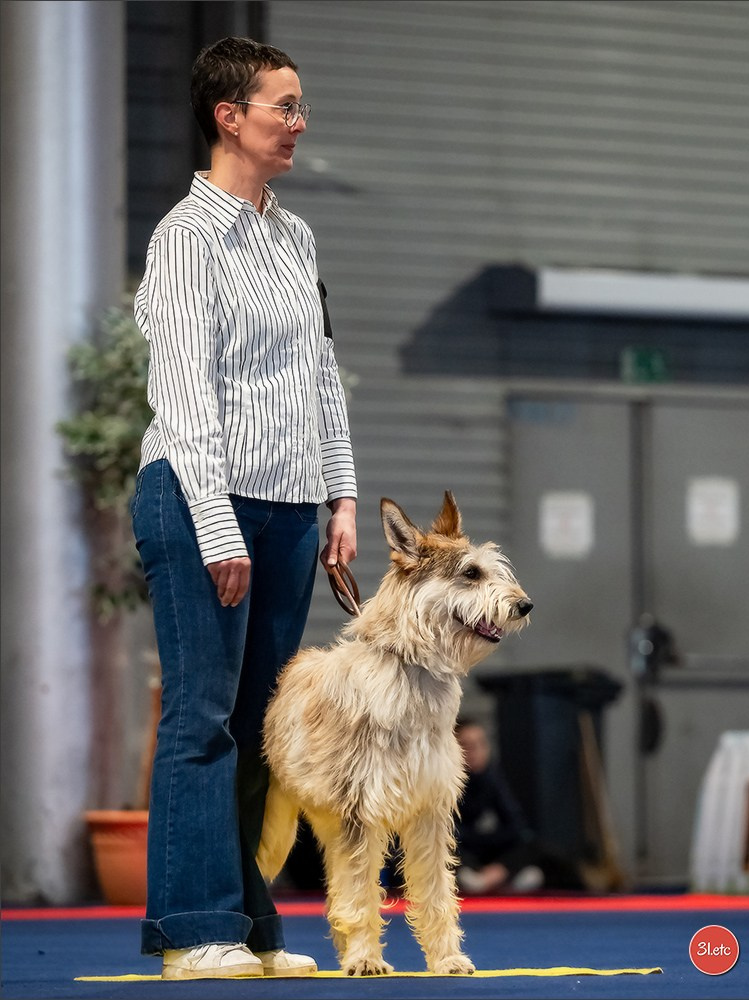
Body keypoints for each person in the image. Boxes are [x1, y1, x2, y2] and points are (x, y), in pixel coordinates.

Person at [130, 37, 357, 980]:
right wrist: (219, 527)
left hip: (292, 504)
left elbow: (321, 374)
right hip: (197, 501)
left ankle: (251, 929)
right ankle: (194, 931)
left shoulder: (295, 236)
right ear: (230, 117)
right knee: (201, 719)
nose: (299, 123)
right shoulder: (184, 238)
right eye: (284, 107)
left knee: (266, 725)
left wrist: (339, 492)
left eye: (301, 107)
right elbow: (184, 396)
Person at [454, 719, 584, 895]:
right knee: (445, 849)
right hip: (465, 853)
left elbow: (516, 826)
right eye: (467, 745)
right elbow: (451, 833)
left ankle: (492, 880)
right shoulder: (445, 784)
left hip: (492, 853)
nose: (474, 752)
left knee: (535, 846)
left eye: (480, 744)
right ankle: (482, 879)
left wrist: (500, 866)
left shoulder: (493, 779)